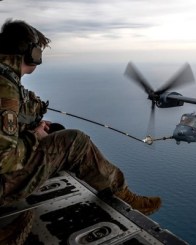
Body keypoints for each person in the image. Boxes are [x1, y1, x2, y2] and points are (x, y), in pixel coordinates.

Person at [0, 19, 161, 215]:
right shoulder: (5, 89)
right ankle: (124, 197)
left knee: (56, 131)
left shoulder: (6, 78)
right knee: (76, 141)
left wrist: (31, 128)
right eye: (39, 51)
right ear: (31, 53)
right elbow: (3, 160)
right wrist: (35, 136)